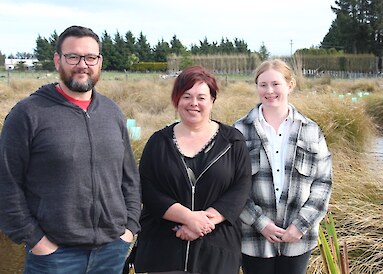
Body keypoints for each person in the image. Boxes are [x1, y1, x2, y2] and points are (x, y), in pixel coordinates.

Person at [0, 25, 141, 274]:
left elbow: (129, 177)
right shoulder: (27, 114)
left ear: (99, 62)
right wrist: (35, 240)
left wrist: (129, 228)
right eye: (73, 57)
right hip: (54, 256)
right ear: (58, 60)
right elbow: (7, 183)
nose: (82, 65)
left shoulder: (112, 112)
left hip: (111, 251)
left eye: (90, 57)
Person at [134, 65, 252, 274]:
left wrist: (204, 222)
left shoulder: (232, 141)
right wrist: (187, 218)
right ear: (176, 99)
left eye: (201, 97)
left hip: (217, 250)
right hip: (162, 250)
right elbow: (148, 189)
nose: (194, 103)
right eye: (186, 96)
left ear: (212, 100)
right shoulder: (158, 142)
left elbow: (241, 187)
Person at [233, 59, 332, 274]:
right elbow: (231, 185)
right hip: (253, 237)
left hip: (298, 239)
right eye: (263, 85)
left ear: (290, 85)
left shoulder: (311, 131)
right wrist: (260, 222)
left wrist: (300, 225)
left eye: (276, 84)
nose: (269, 91)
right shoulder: (239, 131)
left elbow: (323, 183)